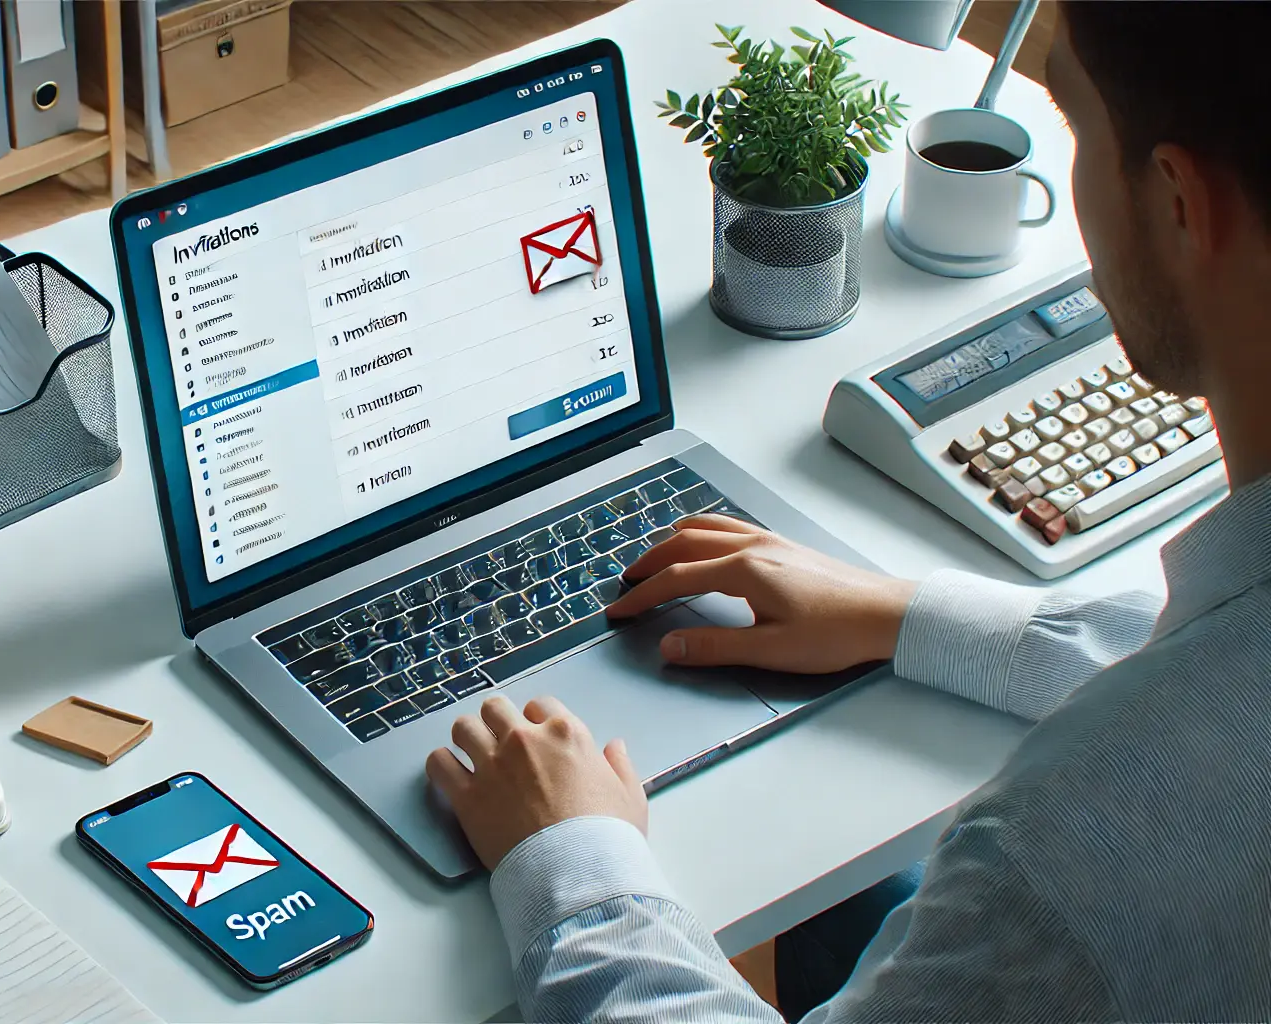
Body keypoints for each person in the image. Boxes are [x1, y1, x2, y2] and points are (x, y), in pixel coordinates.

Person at [423, 5, 1271, 1020]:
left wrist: (570, 860)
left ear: (1180, 203)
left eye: (1076, 128)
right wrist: (900, 612)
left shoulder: (1068, 859)